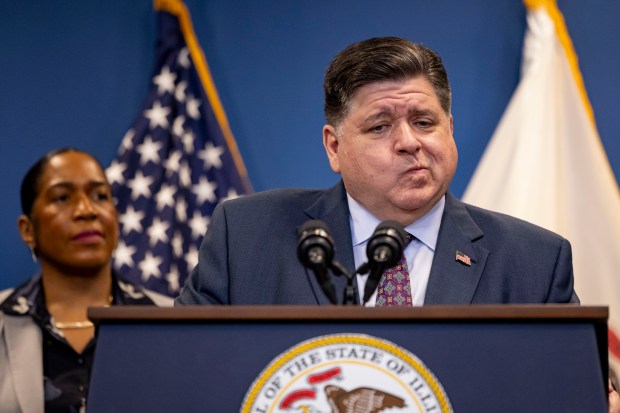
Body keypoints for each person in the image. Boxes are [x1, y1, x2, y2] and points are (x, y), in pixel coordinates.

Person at [175, 37, 577, 307]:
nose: (408, 142)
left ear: (449, 130)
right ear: (334, 147)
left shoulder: (535, 263)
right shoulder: (245, 238)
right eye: (380, 126)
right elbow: (183, 368)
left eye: (423, 122)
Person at [0, 148, 173, 413]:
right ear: (28, 230)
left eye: (100, 196)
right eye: (62, 197)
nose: (86, 210)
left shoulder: (172, 321)